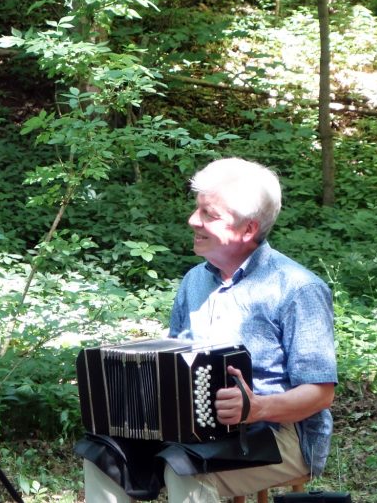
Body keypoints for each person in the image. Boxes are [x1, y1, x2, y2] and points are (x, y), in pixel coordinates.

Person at [82, 157, 337, 503]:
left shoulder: (297, 288)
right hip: (195, 433)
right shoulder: (194, 281)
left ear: (247, 229)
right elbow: (172, 363)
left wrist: (256, 408)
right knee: (103, 456)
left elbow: (321, 394)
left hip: (280, 434)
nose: (192, 221)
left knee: (184, 469)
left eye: (208, 215)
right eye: (196, 210)